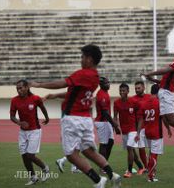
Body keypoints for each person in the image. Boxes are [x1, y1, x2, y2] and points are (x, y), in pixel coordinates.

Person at [30, 44, 121, 188]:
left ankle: (98, 181)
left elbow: (62, 83)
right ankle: (112, 175)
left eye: (83, 57)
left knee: (71, 155)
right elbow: (73, 92)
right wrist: (55, 96)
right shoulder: (95, 77)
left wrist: (39, 84)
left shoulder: (83, 73)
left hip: (73, 119)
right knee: (88, 151)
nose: (81, 59)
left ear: (89, 59)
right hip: (85, 119)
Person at [10, 79, 50, 185]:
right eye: (17, 88)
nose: (18, 90)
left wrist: (47, 118)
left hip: (35, 131)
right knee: (24, 155)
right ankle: (33, 177)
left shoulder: (35, 98)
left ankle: (45, 168)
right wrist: (19, 123)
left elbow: (43, 108)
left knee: (30, 155)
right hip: (23, 132)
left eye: (21, 88)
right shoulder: (14, 100)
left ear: (27, 87)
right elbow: (12, 116)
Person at [135, 84, 172, 182]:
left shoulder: (144, 103)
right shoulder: (159, 103)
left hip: (147, 131)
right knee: (155, 154)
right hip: (156, 132)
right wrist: (168, 128)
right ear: (158, 92)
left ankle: (151, 172)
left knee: (152, 153)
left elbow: (140, 120)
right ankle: (151, 177)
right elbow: (163, 117)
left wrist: (138, 133)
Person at [113, 83, 145, 178]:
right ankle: (141, 167)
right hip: (124, 130)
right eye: (120, 90)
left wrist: (138, 133)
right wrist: (116, 127)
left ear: (127, 91)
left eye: (123, 90)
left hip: (133, 130)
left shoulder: (134, 102)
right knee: (131, 151)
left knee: (130, 148)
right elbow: (115, 117)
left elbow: (140, 118)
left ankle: (129, 171)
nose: (121, 92)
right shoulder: (116, 103)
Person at [95, 77, 121, 162]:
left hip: (106, 122)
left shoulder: (105, 93)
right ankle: (102, 166)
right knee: (103, 144)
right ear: (101, 85)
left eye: (108, 82)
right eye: (106, 83)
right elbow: (105, 113)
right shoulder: (102, 95)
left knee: (110, 142)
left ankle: (104, 163)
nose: (108, 84)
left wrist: (112, 124)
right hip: (102, 122)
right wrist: (115, 125)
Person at [131, 81, 151, 171]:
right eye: (135, 88)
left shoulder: (149, 97)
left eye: (138, 88)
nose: (137, 90)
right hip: (139, 127)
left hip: (150, 126)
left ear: (143, 88)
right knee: (141, 147)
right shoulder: (132, 100)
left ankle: (151, 165)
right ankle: (146, 167)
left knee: (152, 147)